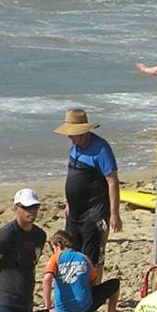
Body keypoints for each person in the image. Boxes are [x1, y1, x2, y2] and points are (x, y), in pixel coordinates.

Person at [54, 108, 121, 267]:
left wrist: (114, 213)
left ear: (83, 131)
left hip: (94, 213)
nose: (69, 136)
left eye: (73, 133)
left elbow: (112, 181)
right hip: (75, 212)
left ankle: (93, 289)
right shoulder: (75, 147)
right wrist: (69, 202)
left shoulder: (101, 149)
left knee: (92, 257)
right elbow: (73, 174)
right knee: (71, 251)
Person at [42, 230, 120, 312]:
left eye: (53, 249)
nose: (53, 252)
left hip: (62, 309)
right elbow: (93, 283)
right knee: (115, 283)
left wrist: (47, 306)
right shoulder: (84, 258)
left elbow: (47, 279)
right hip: (85, 309)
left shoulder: (56, 258)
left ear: (59, 245)